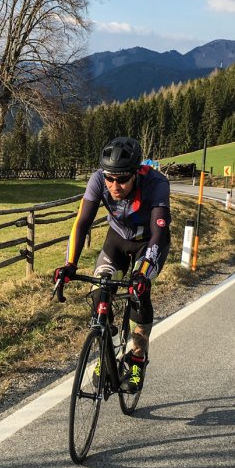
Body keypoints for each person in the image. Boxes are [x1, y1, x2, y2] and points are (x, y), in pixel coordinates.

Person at [54, 136, 171, 392]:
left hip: (148, 242)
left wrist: (143, 272)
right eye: (110, 178)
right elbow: (82, 222)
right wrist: (69, 264)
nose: (114, 185)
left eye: (121, 179)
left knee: (139, 294)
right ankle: (108, 350)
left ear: (136, 174)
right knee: (99, 292)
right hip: (117, 239)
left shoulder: (156, 184)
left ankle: (137, 359)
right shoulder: (98, 180)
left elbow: (159, 232)